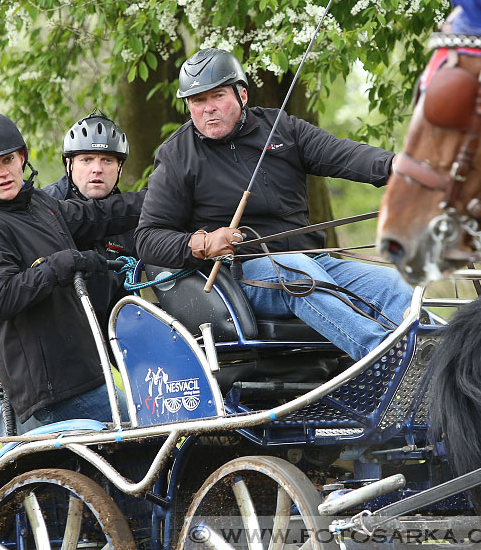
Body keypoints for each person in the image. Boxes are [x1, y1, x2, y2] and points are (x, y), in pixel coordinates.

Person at [136, 48, 413, 361]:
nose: (208, 109)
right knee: (299, 273)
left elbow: (344, 155)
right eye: (198, 101)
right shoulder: (176, 156)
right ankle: (389, 358)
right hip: (241, 278)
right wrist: (203, 243)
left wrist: (395, 165)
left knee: (393, 284)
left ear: (242, 94)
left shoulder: (282, 128)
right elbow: (148, 238)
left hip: (314, 260)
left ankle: (424, 365)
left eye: (218, 96)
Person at [0, 112, 136, 435]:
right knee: (141, 433)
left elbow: (100, 216)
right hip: (40, 384)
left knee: (137, 442)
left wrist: (165, 196)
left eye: (8, 160)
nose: (3, 172)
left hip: (76, 370)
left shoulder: (38, 204)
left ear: (22, 157)